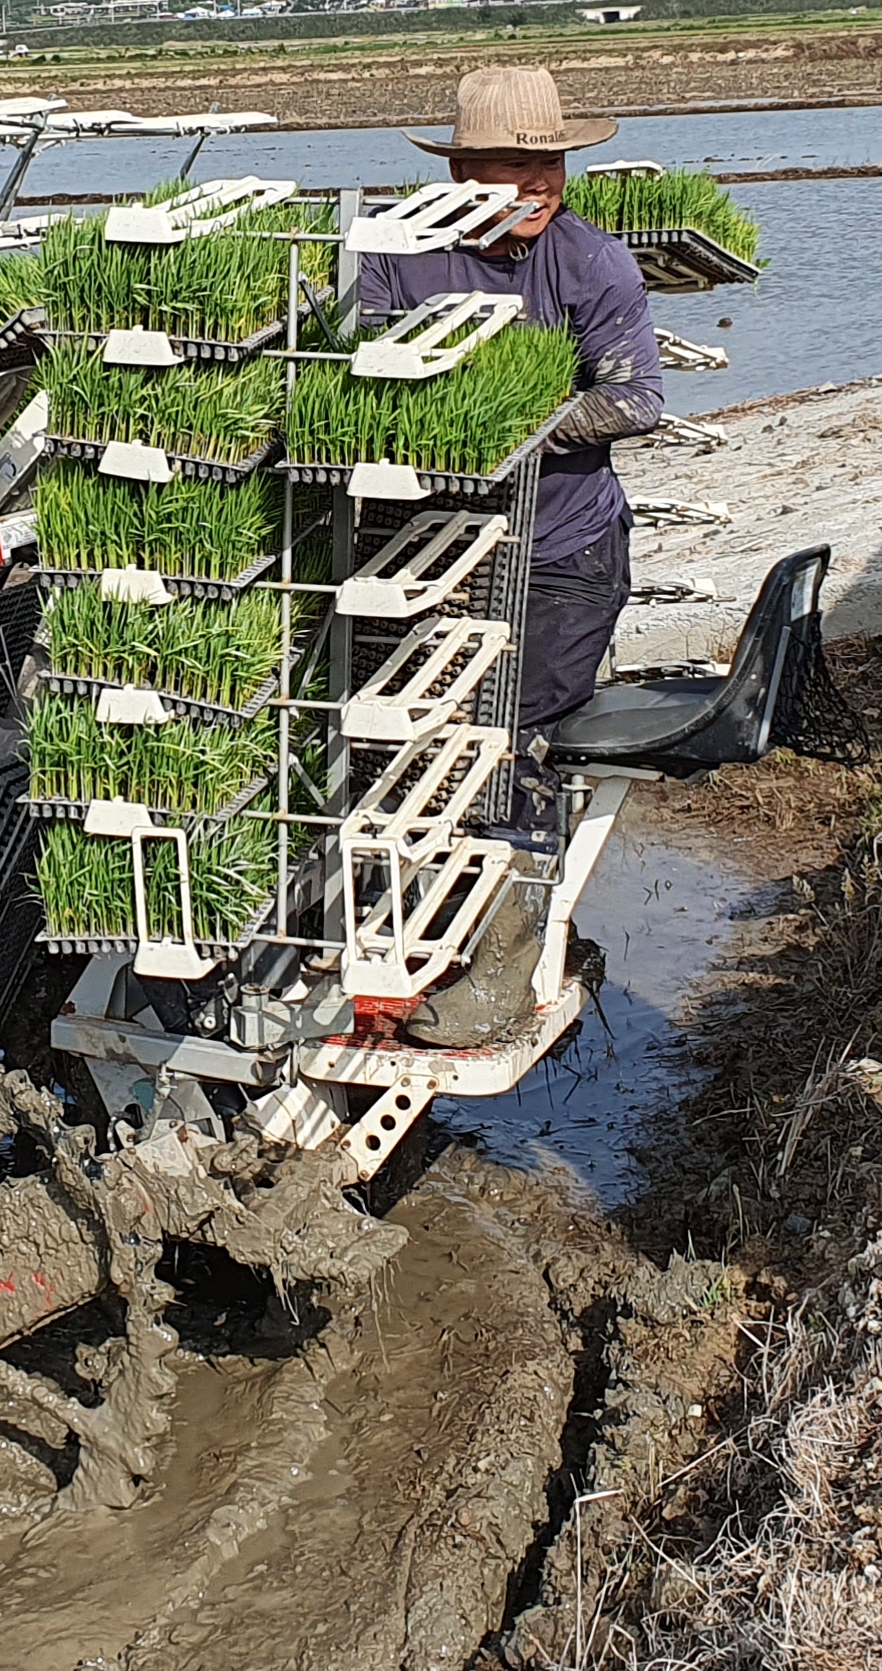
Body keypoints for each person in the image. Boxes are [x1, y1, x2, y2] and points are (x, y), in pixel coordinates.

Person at [358, 66, 662, 1045]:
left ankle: (506, 969)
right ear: (458, 169)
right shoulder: (397, 255)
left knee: (505, 744)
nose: (537, 184)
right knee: (396, 744)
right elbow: (354, 372)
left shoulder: (591, 265)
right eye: (512, 165)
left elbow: (635, 402)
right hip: (427, 553)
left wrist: (505, 422)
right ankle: (402, 929)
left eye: (550, 163)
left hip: (564, 556)